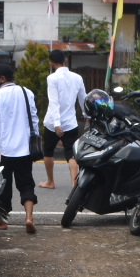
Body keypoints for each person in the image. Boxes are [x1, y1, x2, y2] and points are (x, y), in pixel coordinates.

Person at [0, 60, 40, 235]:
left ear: (2, 78)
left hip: (4, 151)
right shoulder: (26, 93)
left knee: (3, 186)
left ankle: (2, 221)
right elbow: (34, 120)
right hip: (25, 149)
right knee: (27, 184)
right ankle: (29, 218)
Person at [40, 50, 86, 189]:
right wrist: (87, 115)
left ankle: (50, 182)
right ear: (64, 60)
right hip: (71, 123)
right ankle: (74, 185)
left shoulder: (52, 78)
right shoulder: (77, 78)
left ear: (51, 62)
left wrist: (57, 124)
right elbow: (83, 99)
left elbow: (54, 102)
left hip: (52, 124)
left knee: (48, 151)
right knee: (71, 154)